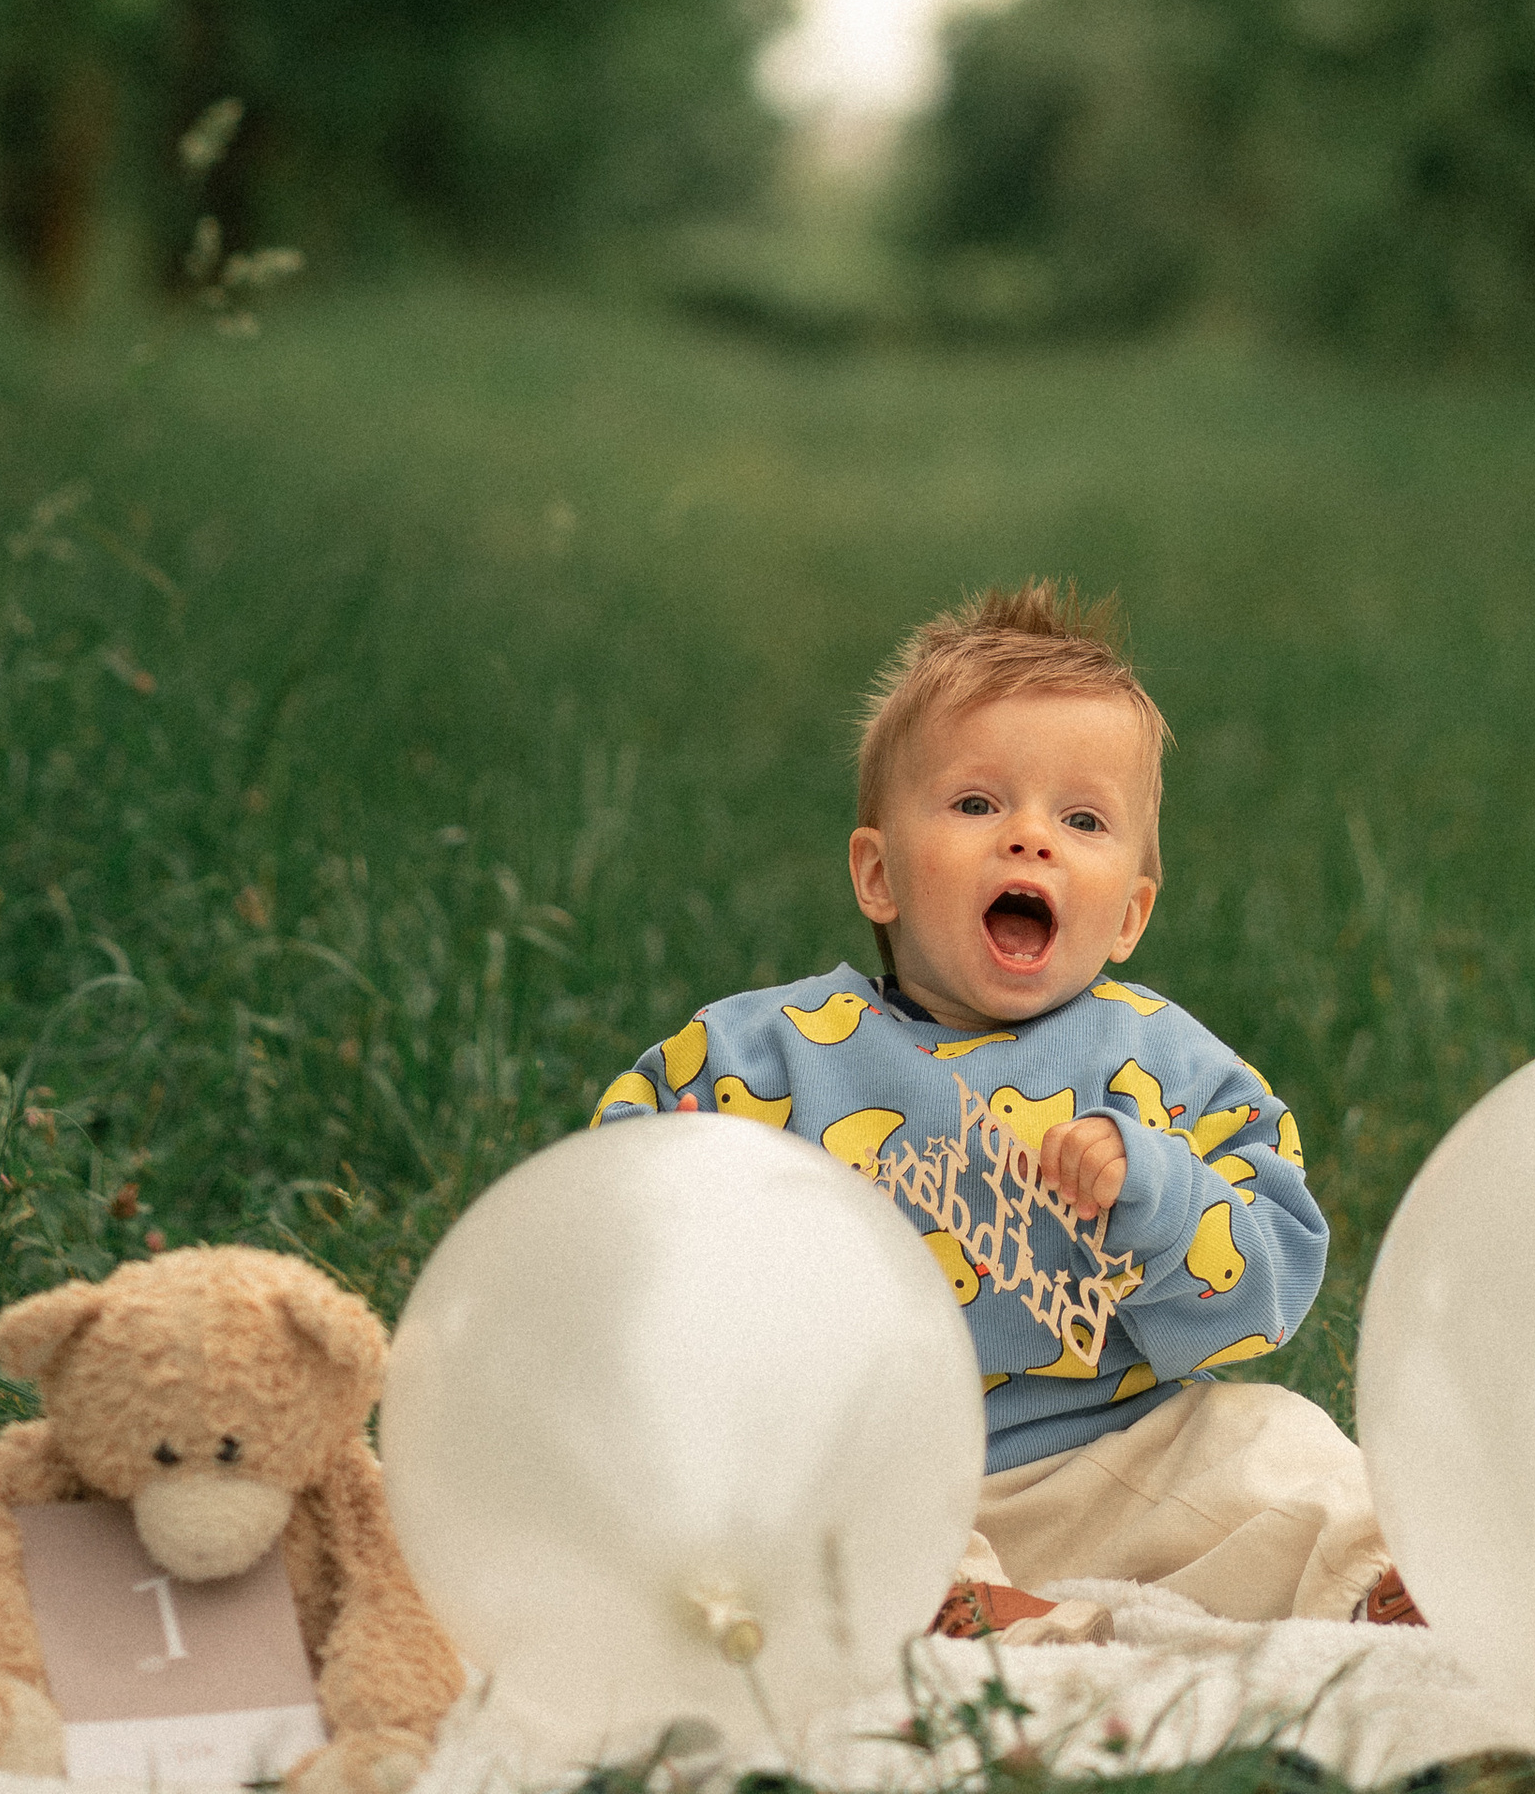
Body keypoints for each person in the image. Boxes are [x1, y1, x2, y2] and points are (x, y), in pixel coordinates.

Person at [588, 578, 1421, 1636]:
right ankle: (960, 1603)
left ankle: (1378, 1586)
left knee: (1276, 1447)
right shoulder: (767, 1056)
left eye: (1080, 818)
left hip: (1119, 1452)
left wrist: (1156, 1192)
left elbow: (1268, 1283)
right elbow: (614, 1196)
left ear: (1128, 911)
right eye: (977, 803)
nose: (1029, 839)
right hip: (872, 1457)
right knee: (768, 1493)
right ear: (878, 873)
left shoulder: (1167, 1067)